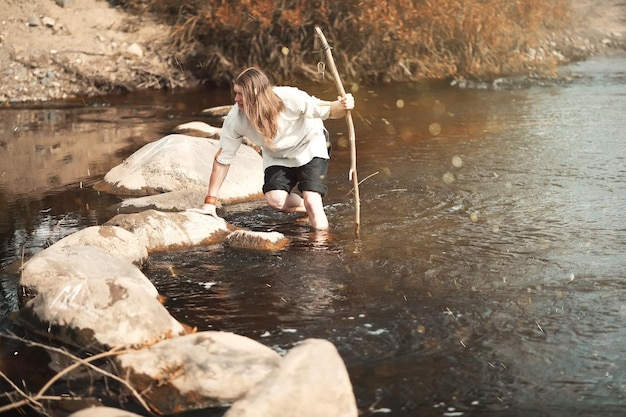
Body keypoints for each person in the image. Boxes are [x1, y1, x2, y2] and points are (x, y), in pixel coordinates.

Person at [200, 67, 355, 230]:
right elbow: (223, 159)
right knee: (276, 200)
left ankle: (321, 246)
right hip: (277, 155)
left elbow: (330, 110)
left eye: (241, 94)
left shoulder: (290, 97)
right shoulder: (235, 119)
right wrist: (210, 202)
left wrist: (343, 106)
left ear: (256, 94)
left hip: (310, 145)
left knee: (312, 199)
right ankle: (309, 208)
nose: (236, 99)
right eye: (235, 93)